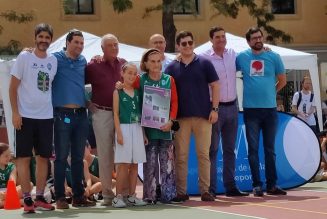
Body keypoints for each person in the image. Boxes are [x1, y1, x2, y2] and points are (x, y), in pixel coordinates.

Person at [165, 31, 219, 202]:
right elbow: (165, 92)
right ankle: (181, 192)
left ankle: (205, 191)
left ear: (193, 43)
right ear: (178, 46)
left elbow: (216, 86)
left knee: (204, 155)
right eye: (184, 43)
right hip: (180, 119)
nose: (187, 46)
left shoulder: (205, 62)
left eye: (190, 42)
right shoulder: (171, 67)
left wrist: (215, 109)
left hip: (204, 117)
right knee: (180, 156)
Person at [9, 23, 57, 213]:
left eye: (47, 37)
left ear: (50, 40)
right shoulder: (24, 57)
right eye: (41, 37)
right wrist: (14, 112)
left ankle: (39, 197)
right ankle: (27, 200)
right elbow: (12, 88)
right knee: (23, 158)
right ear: (35, 37)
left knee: (43, 158)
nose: (44, 40)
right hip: (24, 116)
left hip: (46, 117)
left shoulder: (53, 60)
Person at [236, 27, 287, 196]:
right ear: (249, 41)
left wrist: (271, 93)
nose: (258, 40)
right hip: (251, 111)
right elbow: (226, 66)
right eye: (254, 38)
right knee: (252, 150)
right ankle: (257, 185)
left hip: (270, 111)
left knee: (270, 150)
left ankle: (272, 185)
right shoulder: (242, 57)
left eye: (260, 37)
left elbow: (282, 81)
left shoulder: (274, 56)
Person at [200, 26, 249, 197]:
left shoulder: (233, 54)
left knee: (229, 150)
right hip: (214, 109)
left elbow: (251, 56)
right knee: (212, 150)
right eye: (217, 37)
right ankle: (210, 189)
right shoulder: (203, 58)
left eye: (223, 36)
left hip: (232, 108)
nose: (221, 39)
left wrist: (265, 48)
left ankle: (231, 187)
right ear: (211, 39)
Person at [52, 30, 95, 209]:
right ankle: (60, 197)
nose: (79, 45)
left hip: (81, 116)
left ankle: (78, 196)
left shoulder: (83, 60)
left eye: (81, 43)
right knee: (61, 157)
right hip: (62, 114)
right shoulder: (54, 58)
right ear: (68, 42)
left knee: (78, 157)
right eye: (76, 42)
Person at [85, 34, 126, 206]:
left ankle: (124, 194)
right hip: (102, 114)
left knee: (123, 154)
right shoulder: (93, 65)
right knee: (105, 155)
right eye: (110, 45)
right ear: (102, 49)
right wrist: (86, 102)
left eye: (116, 44)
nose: (114, 48)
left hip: (122, 114)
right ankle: (108, 195)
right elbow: (75, 82)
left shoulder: (124, 64)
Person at [136, 48, 179, 204]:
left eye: (158, 61)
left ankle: (169, 195)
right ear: (146, 63)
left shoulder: (169, 79)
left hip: (166, 129)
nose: (156, 64)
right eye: (152, 61)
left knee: (168, 163)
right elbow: (134, 98)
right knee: (150, 164)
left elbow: (174, 102)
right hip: (148, 130)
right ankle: (150, 196)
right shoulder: (139, 80)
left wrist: (171, 121)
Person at [112, 62, 147, 208]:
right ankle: (118, 197)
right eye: (129, 73)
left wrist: (144, 134)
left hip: (137, 128)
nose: (132, 76)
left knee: (134, 164)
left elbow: (142, 114)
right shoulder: (117, 92)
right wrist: (119, 133)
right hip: (124, 128)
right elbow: (115, 113)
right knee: (123, 164)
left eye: (134, 73)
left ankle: (132, 196)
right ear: (122, 73)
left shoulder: (138, 92)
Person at [0, 143, 23, 208]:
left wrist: (6, 194)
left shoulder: (11, 166)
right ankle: (20, 202)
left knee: (29, 184)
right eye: (6, 156)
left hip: (10, 190)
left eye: (9, 155)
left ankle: (4, 202)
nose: (9, 157)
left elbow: (12, 182)